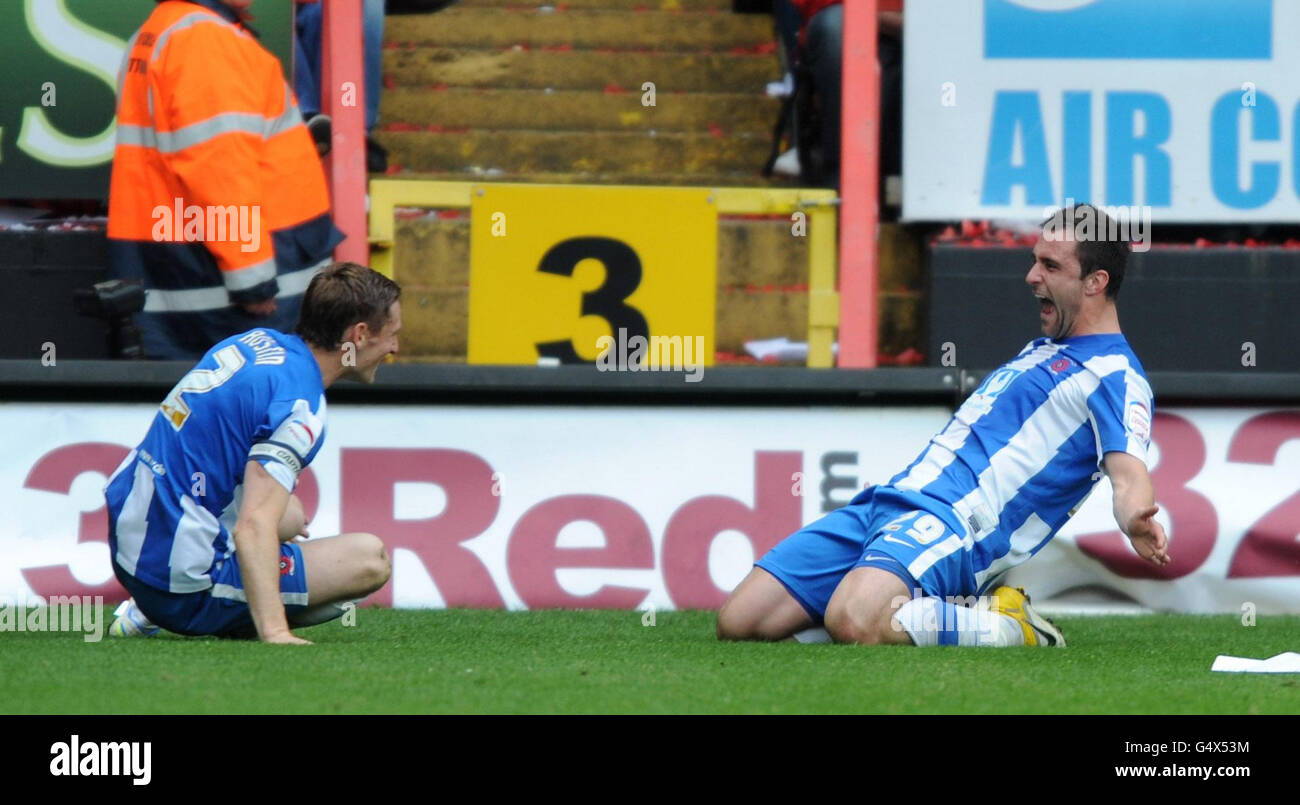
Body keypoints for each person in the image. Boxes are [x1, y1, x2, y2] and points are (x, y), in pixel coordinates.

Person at [718, 204, 1168, 647]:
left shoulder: (1116, 374)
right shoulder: (1042, 350)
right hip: (888, 502)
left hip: (955, 526)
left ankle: (1009, 626)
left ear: (1096, 282)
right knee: (741, 621)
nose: (1031, 276)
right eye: (1034, 260)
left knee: (854, 619)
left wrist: (1133, 517)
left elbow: (1129, 474)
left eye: (1050, 265)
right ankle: (888, 609)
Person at [106, 263, 401, 645]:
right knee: (369, 560)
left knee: (290, 513)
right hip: (181, 584)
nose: (395, 348)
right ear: (359, 335)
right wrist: (276, 632)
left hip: (129, 546)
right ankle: (178, 612)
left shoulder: (253, 342)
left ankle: (151, 604)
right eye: (393, 335)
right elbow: (253, 527)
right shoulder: (300, 405)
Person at [107, 0, 345, 360]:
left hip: (187, 277)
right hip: (234, 298)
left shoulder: (162, 30)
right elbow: (220, 170)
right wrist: (253, 281)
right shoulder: (205, 39)